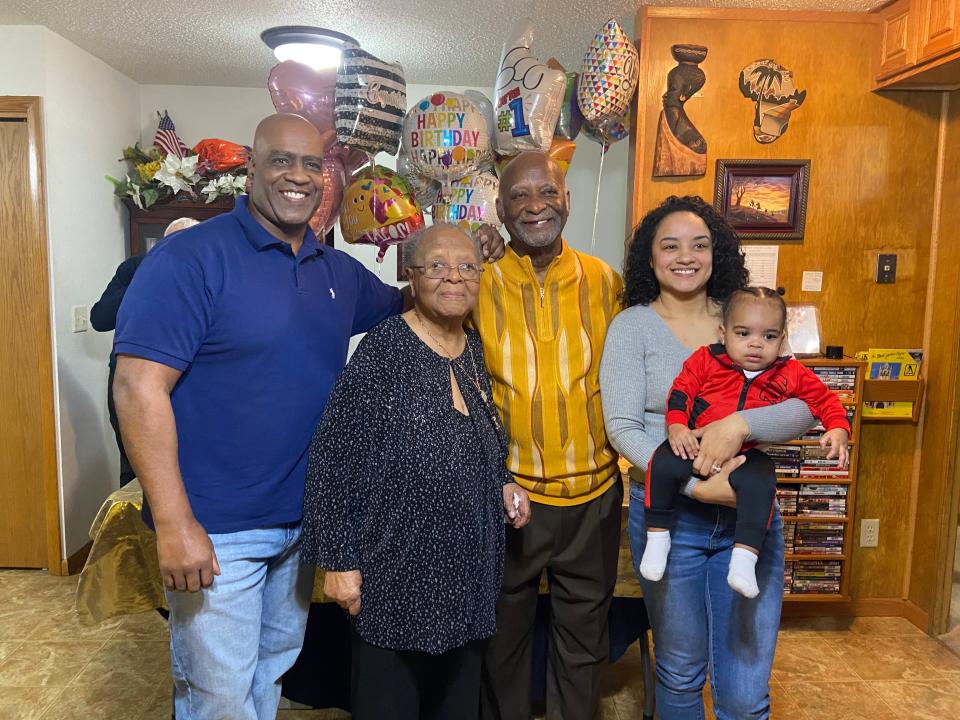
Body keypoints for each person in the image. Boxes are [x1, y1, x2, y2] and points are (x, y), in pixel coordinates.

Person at [112, 113, 504, 720]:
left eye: (311, 164)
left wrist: (464, 258)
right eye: (280, 160)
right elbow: (138, 388)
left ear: (326, 178)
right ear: (249, 169)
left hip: (299, 525)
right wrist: (173, 521)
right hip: (218, 526)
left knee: (270, 673)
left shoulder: (336, 273)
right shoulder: (191, 259)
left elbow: (423, 302)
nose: (298, 175)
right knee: (218, 693)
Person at [300, 224, 531, 720]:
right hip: (396, 573)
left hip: (465, 575)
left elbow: (481, 433)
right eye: (437, 266)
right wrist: (338, 562)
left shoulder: (469, 347)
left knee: (455, 705)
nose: (454, 277)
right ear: (411, 274)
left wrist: (504, 481)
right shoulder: (384, 350)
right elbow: (333, 459)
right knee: (391, 705)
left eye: (467, 266)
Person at [599, 195, 817, 719]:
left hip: (749, 521)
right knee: (679, 674)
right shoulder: (632, 327)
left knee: (744, 692)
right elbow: (623, 428)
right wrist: (696, 486)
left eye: (699, 244)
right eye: (669, 246)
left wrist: (741, 423)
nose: (685, 256)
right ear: (649, 259)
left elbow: (802, 406)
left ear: (716, 252)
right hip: (670, 525)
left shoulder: (746, 320)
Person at [475, 151, 623, 720]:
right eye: (520, 197)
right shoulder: (479, 283)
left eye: (547, 193)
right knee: (500, 641)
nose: (535, 206)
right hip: (509, 499)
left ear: (567, 200)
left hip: (593, 496)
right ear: (501, 210)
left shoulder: (606, 281)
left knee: (583, 644)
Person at [641, 286, 851, 598]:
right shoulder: (706, 359)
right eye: (743, 333)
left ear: (782, 339)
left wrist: (838, 428)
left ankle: (744, 559)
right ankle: (657, 539)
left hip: (747, 454)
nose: (755, 343)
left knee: (762, 483)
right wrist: (677, 426)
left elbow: (825, 400)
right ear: (723, 333)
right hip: (696, 444)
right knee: (661, 461)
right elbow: (681, 392)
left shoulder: (790, 371)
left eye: (769, 336)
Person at [91, 217, 199, 485]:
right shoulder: (134, 269)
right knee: (133, 464)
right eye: (172, 245)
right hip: (131, 381)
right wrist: (149, 275)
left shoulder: (206, 273)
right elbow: (100, 318)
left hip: (189, 383)